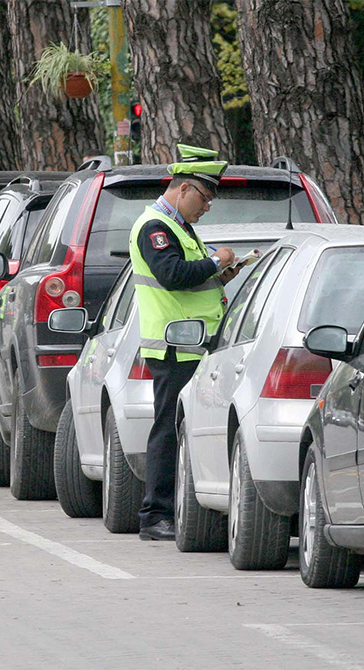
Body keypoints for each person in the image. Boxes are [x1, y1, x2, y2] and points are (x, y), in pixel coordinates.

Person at [128, 144, 245, 542]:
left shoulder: (176, 225)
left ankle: (173, 510)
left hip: (193, 345)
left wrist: (221, 277)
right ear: (183, 189)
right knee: (167, 429)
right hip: (174, 347)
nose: (208, 206)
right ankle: (155, 515)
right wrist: (216, 261)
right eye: (205, 198)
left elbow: (188, 280)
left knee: (183, 428)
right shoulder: (154, 227)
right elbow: (173, 274)